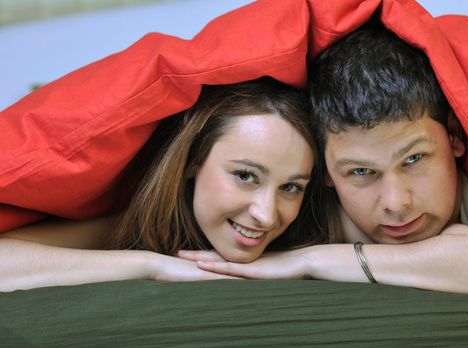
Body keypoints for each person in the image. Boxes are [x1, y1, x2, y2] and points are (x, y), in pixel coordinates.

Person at [189, 20, 468, 297]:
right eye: (361, 171)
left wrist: (306, 262)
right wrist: (161, 266)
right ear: (324, 171)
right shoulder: (294, 208)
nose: (396, 203)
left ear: (453, 136)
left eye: (414, 159)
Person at [0, 78, 326, 292]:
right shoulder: (135, 221)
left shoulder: (318, 220)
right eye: (245, 176)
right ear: (192, 165)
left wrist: (305, 260)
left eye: (290, 187)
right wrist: (152, 265)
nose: (266, 216)